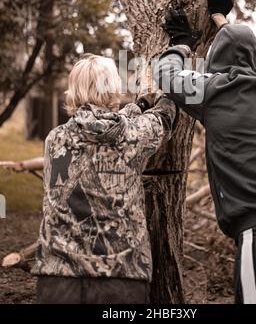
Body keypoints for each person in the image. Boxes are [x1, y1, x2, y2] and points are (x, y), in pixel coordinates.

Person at [154, 0, 256, 304]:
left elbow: (165, 75)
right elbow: (242, 59)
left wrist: (180, 44)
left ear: (215, 62)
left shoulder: (215, 92)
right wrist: (221, 17)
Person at [32, 53, 177, 304]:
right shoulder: (134, 134)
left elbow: (98, 123)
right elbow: (165, 116)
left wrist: (138, 106)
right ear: (112, 88)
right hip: (120, 276)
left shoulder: (54, 139)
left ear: (74, 89)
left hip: (58, 276)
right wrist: (166, 84)